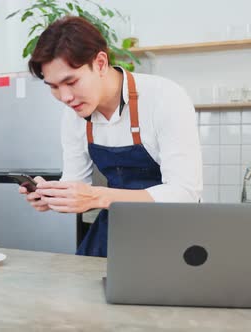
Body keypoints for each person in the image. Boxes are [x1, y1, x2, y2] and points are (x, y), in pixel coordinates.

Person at [19, 16, 203, 257]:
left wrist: (97, 196)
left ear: (101, 63)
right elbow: (77, 183)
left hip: (172, 232)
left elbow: (185, 194)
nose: (65, 97)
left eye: (71, 81)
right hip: (117, 228)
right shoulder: (74, 116)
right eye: (53, 87)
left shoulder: (164, 97)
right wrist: (53, 197)